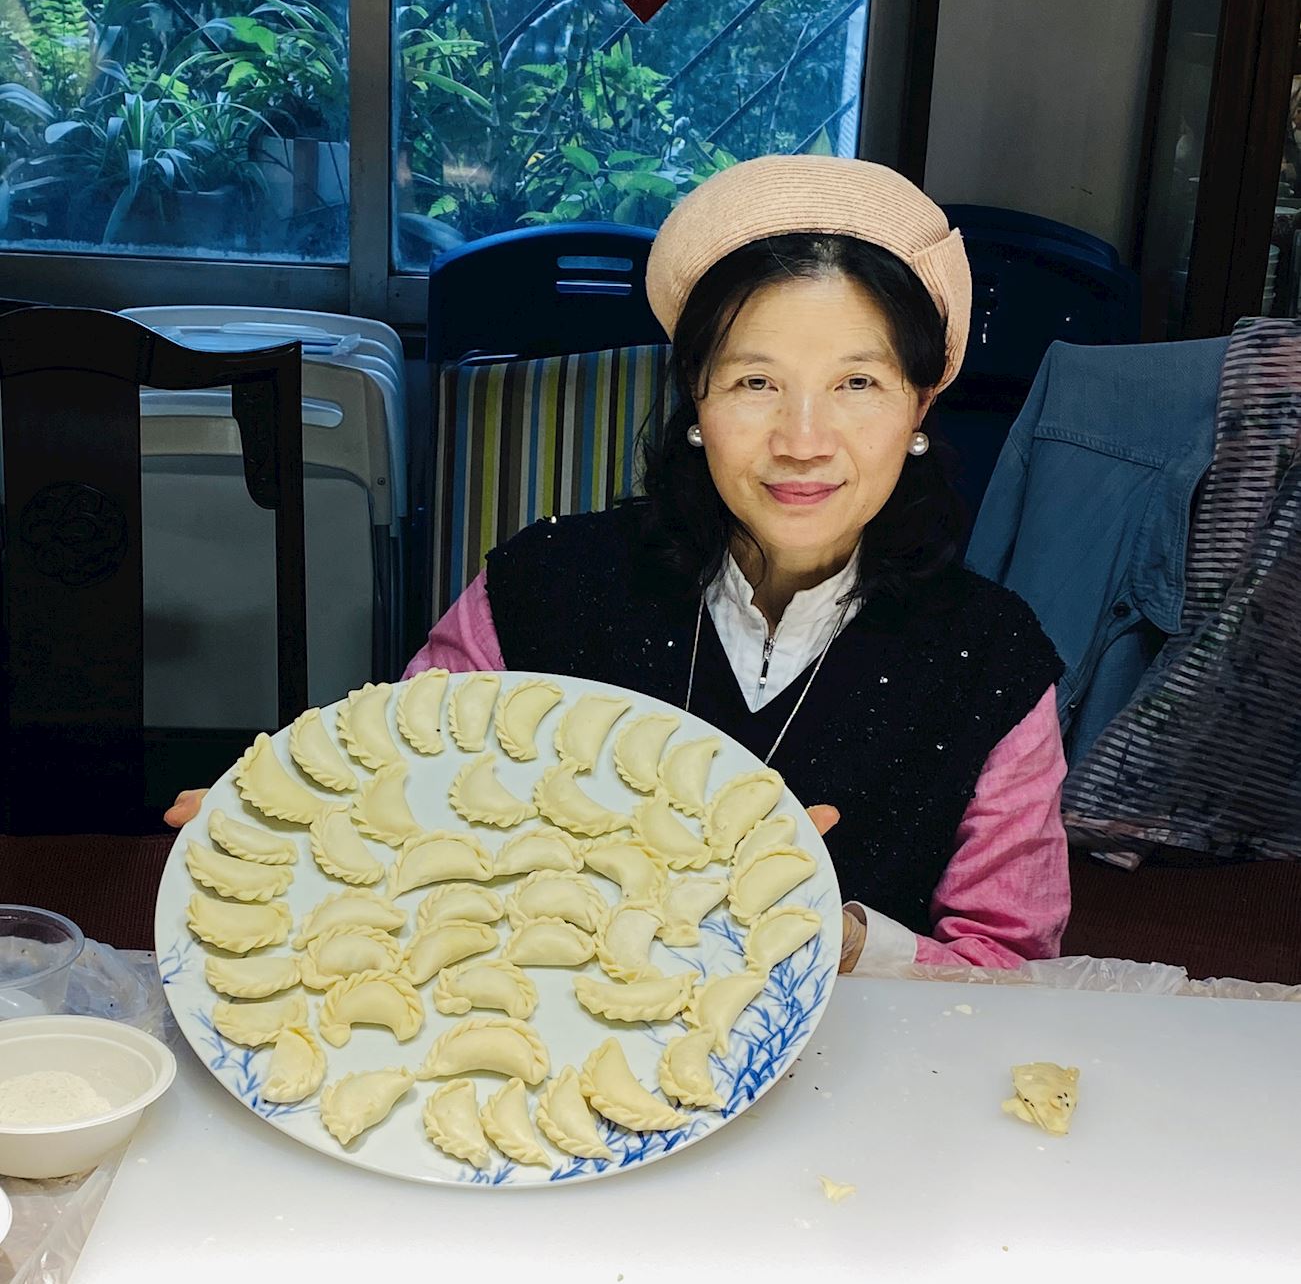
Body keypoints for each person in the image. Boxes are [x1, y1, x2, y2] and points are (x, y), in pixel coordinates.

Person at [168, 155, 1070, 973]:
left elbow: (1008, 966)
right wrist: (295, 834)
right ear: (695, 397)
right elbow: (406, 792)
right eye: (754, 382)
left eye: (857, 383)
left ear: (920, 405)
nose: (802, 440)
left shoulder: (992, 659)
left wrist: (847, 940)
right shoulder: (540, 587)